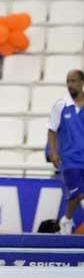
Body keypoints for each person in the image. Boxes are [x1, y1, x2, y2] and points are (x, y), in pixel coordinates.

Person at [47, 69, 84, 235]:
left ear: (82, 82)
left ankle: (67, 219)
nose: (70, 85)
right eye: (68, 81)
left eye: (74, 81)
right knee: (79, 193)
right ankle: (68, 221)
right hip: (69, 159)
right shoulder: (60, 105)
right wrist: (54, 152)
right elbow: (52, 130)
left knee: (76, 196)